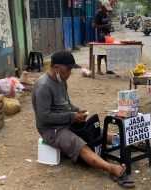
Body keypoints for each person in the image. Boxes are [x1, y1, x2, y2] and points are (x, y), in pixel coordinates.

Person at [31, 51, 127, 182]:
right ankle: (111, 168)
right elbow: (44, 117)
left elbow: (66, 103)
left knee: (93, 129)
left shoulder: (61, 80)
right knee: (79, 145)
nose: (70, 72)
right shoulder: (44, 86)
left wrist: (76, 110)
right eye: (68, 69)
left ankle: (125, 141)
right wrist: (72, 116)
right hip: (51, 129)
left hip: (65, 120)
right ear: (56, 67)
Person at [92, 0, 115, 75]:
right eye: (106, 8)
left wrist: (109, 24)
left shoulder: (106, 13)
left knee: (108, 53)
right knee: (100, 52)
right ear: (102, 7)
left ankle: (108, 69)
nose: (107, 9)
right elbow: (94, 25)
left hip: (107, 35)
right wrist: (105, 25)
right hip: (101, 36)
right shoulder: (98, 14)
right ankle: (98, 70)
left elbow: (106, 22)